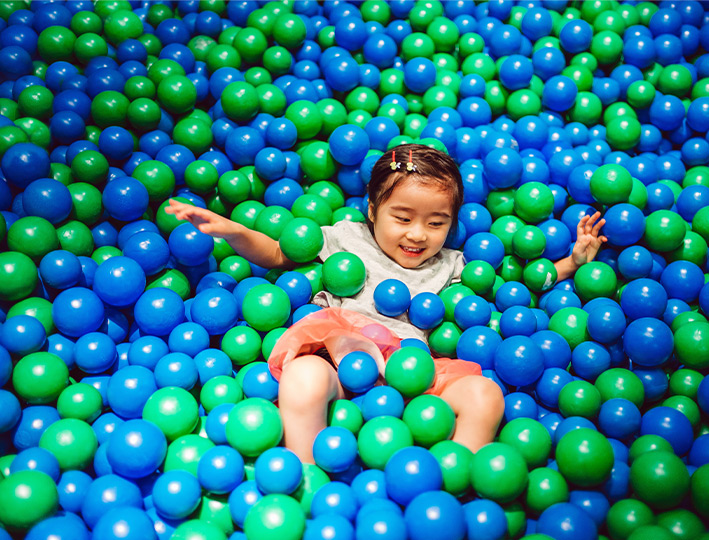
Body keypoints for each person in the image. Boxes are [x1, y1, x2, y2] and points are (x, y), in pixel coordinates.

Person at [166, 143, 607, 463]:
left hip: (411, 372)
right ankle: (305, 473)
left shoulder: (454, 264)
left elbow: (516, 287)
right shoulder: (346, 236)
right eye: (403, 218)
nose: (418, 234)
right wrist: (233, 231)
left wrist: (571, 262)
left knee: (485, 392)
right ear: (373, 210)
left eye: (436, 223)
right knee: (303, 376)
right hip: (338, 352)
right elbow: (280, 254)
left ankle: (453, 485)